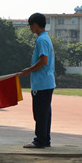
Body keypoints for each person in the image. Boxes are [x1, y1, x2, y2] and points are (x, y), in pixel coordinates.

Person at [20, 12, 56, 149]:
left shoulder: (41, 40)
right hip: (46, 82)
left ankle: (39, 141)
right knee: (45, 113)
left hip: (42, 83)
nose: (30, 28)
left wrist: (29, 70)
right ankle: (45, 139)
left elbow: (43, 60)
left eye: (30, 25)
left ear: (35, 25)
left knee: (40, 113)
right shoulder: (45, 38)